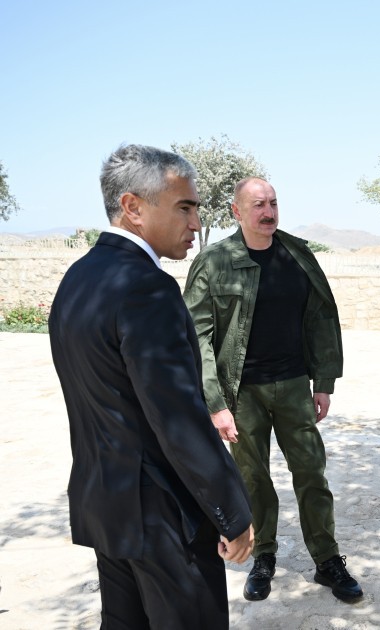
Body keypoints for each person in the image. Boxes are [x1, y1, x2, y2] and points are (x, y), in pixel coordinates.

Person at [48, 144, 255, 629]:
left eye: (197, 208)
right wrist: (233, 512)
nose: (197, 222)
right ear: (133, 207)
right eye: (184, 206)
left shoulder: (79, 278)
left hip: (106, 503)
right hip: (163, 518)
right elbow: (178, 420)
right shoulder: (147, 288)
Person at [183, 177, 362, 602]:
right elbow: (197, 337)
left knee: (311, 474)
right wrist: (215, 403)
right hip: (241, 392)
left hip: (295, 386)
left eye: (273, 203)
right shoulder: (215, 262)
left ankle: (327, 558)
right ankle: (263, 555)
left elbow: (321, 318)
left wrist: (324, 381)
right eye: (258, 204)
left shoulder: (297, 255)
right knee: (253, 479)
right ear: (236, 212)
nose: (268, 212)